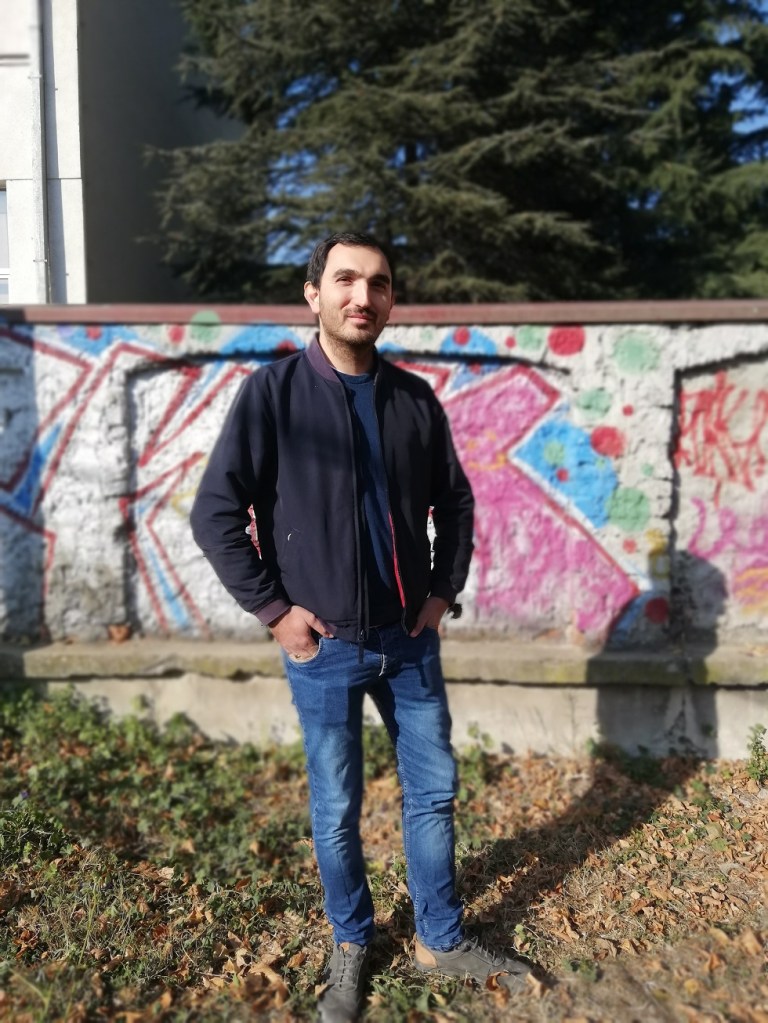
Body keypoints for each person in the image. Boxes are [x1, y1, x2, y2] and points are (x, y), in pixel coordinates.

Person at [190, 232, 533, 1021]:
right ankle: (351, 940)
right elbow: (216, 514)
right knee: (337, 807)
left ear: (390, 300)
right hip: (325, 645)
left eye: (378, 283)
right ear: (313, 294)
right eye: (345, 280)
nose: (363, 296)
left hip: (408, 641)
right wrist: (276, 612)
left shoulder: (413, 398)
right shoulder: (273, 394)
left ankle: (440, 937)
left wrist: (442, 591)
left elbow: (455, 501)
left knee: (434, 794)